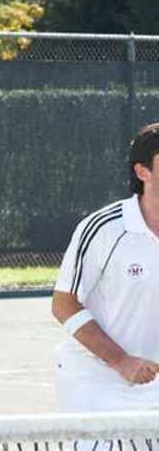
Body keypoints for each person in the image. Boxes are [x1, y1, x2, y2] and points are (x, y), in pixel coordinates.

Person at [52, 122, 159, 412]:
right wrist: (121, 361)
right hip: (94, 378)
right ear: (142, 172)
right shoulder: (103, 229)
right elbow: (64, 304)